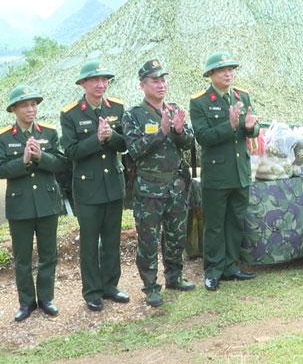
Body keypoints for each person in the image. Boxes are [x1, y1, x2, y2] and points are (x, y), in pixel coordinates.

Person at [121, 60, 197, 307]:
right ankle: (151, 286)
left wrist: (177, 130)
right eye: (155, 80)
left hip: (175, 187)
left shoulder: (174, 109)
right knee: (148, 240)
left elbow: (189, 143)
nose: (161, 84)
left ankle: (174, 277)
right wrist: (161, 132)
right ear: (142, 85)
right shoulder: (133, 115)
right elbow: (133, 150)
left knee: (176, 236)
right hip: (149, 190)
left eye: (163, 80)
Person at [60, 59, 129, 311]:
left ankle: (111, 285)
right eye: (95, 80)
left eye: (104, 80)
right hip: (88, 189)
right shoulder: (71, 114)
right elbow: (70, 152)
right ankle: (92, 291)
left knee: (112, 239)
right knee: (90, 243)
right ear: (83, 84)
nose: (101, 84)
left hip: (113, 183)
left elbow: (124, 145)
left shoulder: (118, 108)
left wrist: (111, 137)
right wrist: (96, 139)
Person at [0, 85, 66, 321]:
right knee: (22, 258)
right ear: (14, 109)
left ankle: (46, 298)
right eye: (24, 105)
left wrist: (40, 157)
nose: (30, 109)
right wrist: (23, 161)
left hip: (46, 202)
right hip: (20, 206)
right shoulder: (3, 137)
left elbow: (61, 164)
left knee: (48, 254)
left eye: (33, 104)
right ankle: (26, 303)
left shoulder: (49, 132)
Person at [189, 51, 259, 290]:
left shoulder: (242, 96)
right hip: (217, 175)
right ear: (211, 75)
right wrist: (229, 125)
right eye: (222, 70)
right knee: (215, 224)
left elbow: (252, 128)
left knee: (235, 221)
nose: (228, 73)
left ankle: (231, 266)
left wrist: (251, 128)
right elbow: (203, 137)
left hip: (240, 172)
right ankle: (213, 270)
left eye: (231, 69)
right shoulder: (199, 102)